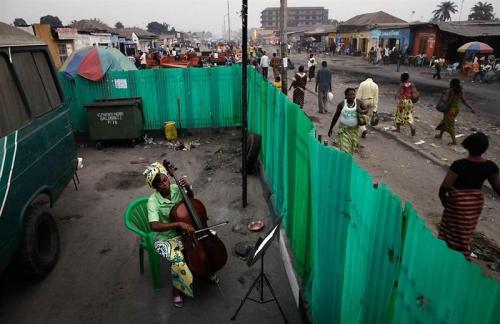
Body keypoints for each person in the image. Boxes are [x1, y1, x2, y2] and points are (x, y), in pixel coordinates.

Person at [438, 132, 500, 258]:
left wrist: (445, 201)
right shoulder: (490, 167)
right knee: (465, 231)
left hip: (457, 202)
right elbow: (498, 188)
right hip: (474, 205)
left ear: (468, 146)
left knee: (450, 229)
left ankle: (447, 253)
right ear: (485, 148)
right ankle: (461, 253)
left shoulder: (459, 165)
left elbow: (445, 186)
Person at [143, 162, 195, 308]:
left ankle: (205, 271)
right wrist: (178, 224)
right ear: (155, 187)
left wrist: (187, 187)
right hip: (165, 239)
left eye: (165, 179)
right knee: (178, 261)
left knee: (205, 240)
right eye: (159, 183)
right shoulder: (153, 201)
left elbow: (191, 200)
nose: (164, 184)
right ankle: (177, 290)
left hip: (183, 233)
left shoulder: (176, 188)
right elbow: (153, 225)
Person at [327, 88, 368, 154]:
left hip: (354, 131)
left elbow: (366, 110)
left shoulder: (358, 102)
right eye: (349, 95)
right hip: (344, 131)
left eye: (353, 94)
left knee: (351, 151)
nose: (352, 96)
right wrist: (331, 128)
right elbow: (336, 117)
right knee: (345, 150)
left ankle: (347, 162)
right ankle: (344, 162)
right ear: (346, 96)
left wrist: (362, 111)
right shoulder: (342, 104)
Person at [435, 79, 475, 145]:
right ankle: (440, 135)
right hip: (456, 109)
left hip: (449, 109)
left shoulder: (450, 90)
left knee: (450, 125)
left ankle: (454, 141)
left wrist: (443, 94)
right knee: (445, 122)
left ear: (451, 83)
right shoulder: (460, 91)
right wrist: (471, 108)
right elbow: (464, 101)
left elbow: (445, 100)